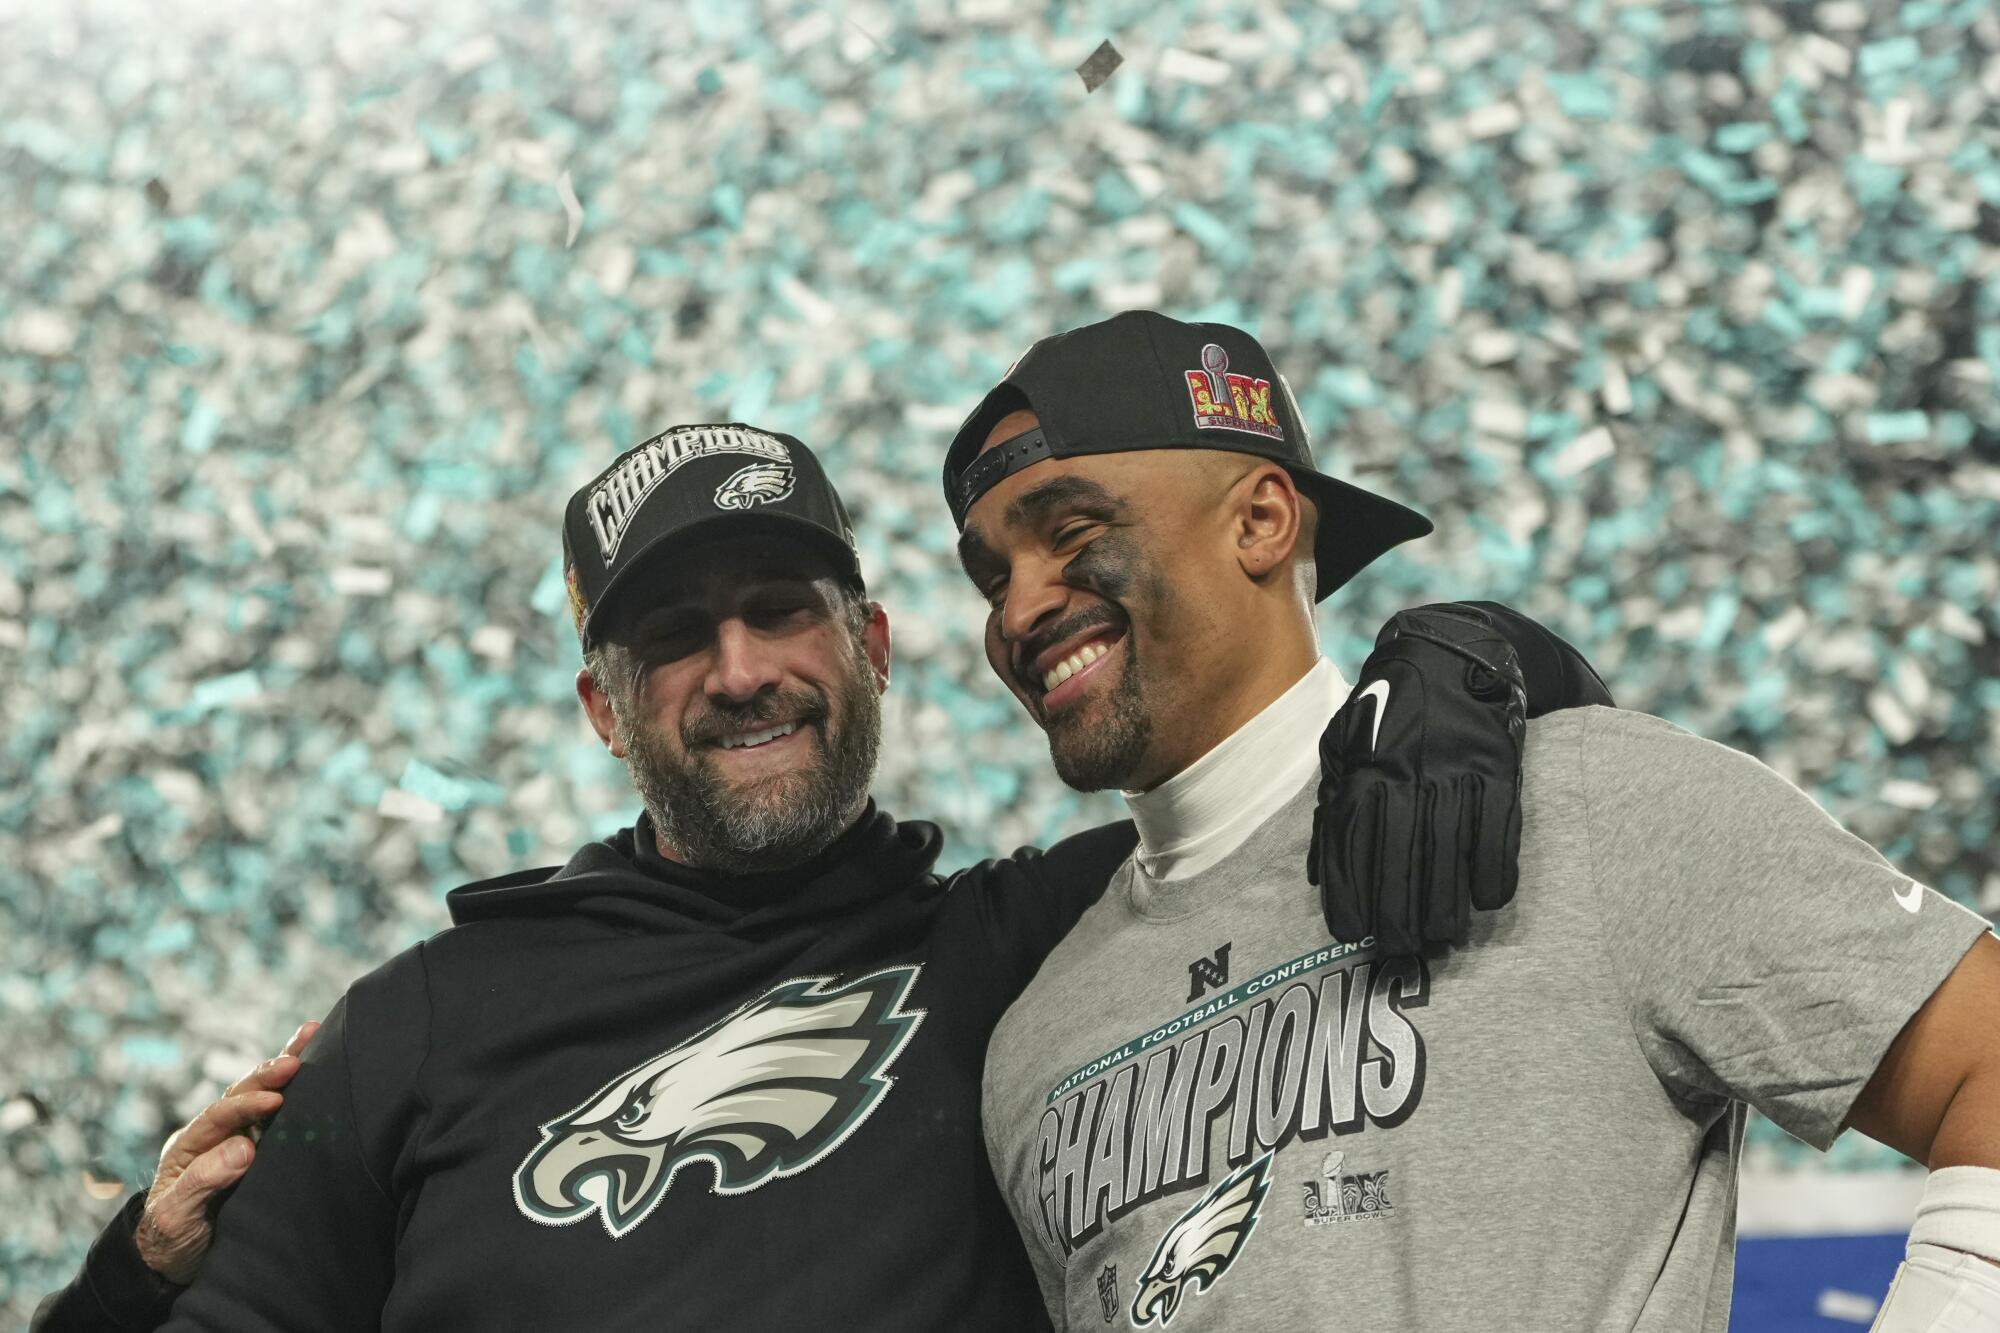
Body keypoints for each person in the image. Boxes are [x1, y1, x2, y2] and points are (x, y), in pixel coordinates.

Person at [38, 420, 1604, 1331]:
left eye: (783, 609)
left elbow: (1356, 786)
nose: (739, 671)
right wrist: (123, 1284)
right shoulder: (420, 1024)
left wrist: (1468, 659)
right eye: (672, 638)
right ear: (604, 707)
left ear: (870, 647)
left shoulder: (1043, 948)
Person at [945, 310, 2000, 1331]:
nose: (1020, 607)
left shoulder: (1582, 801)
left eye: (1071, 533)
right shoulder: (1035, 1037)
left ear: (1261, 519)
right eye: (992, 575)